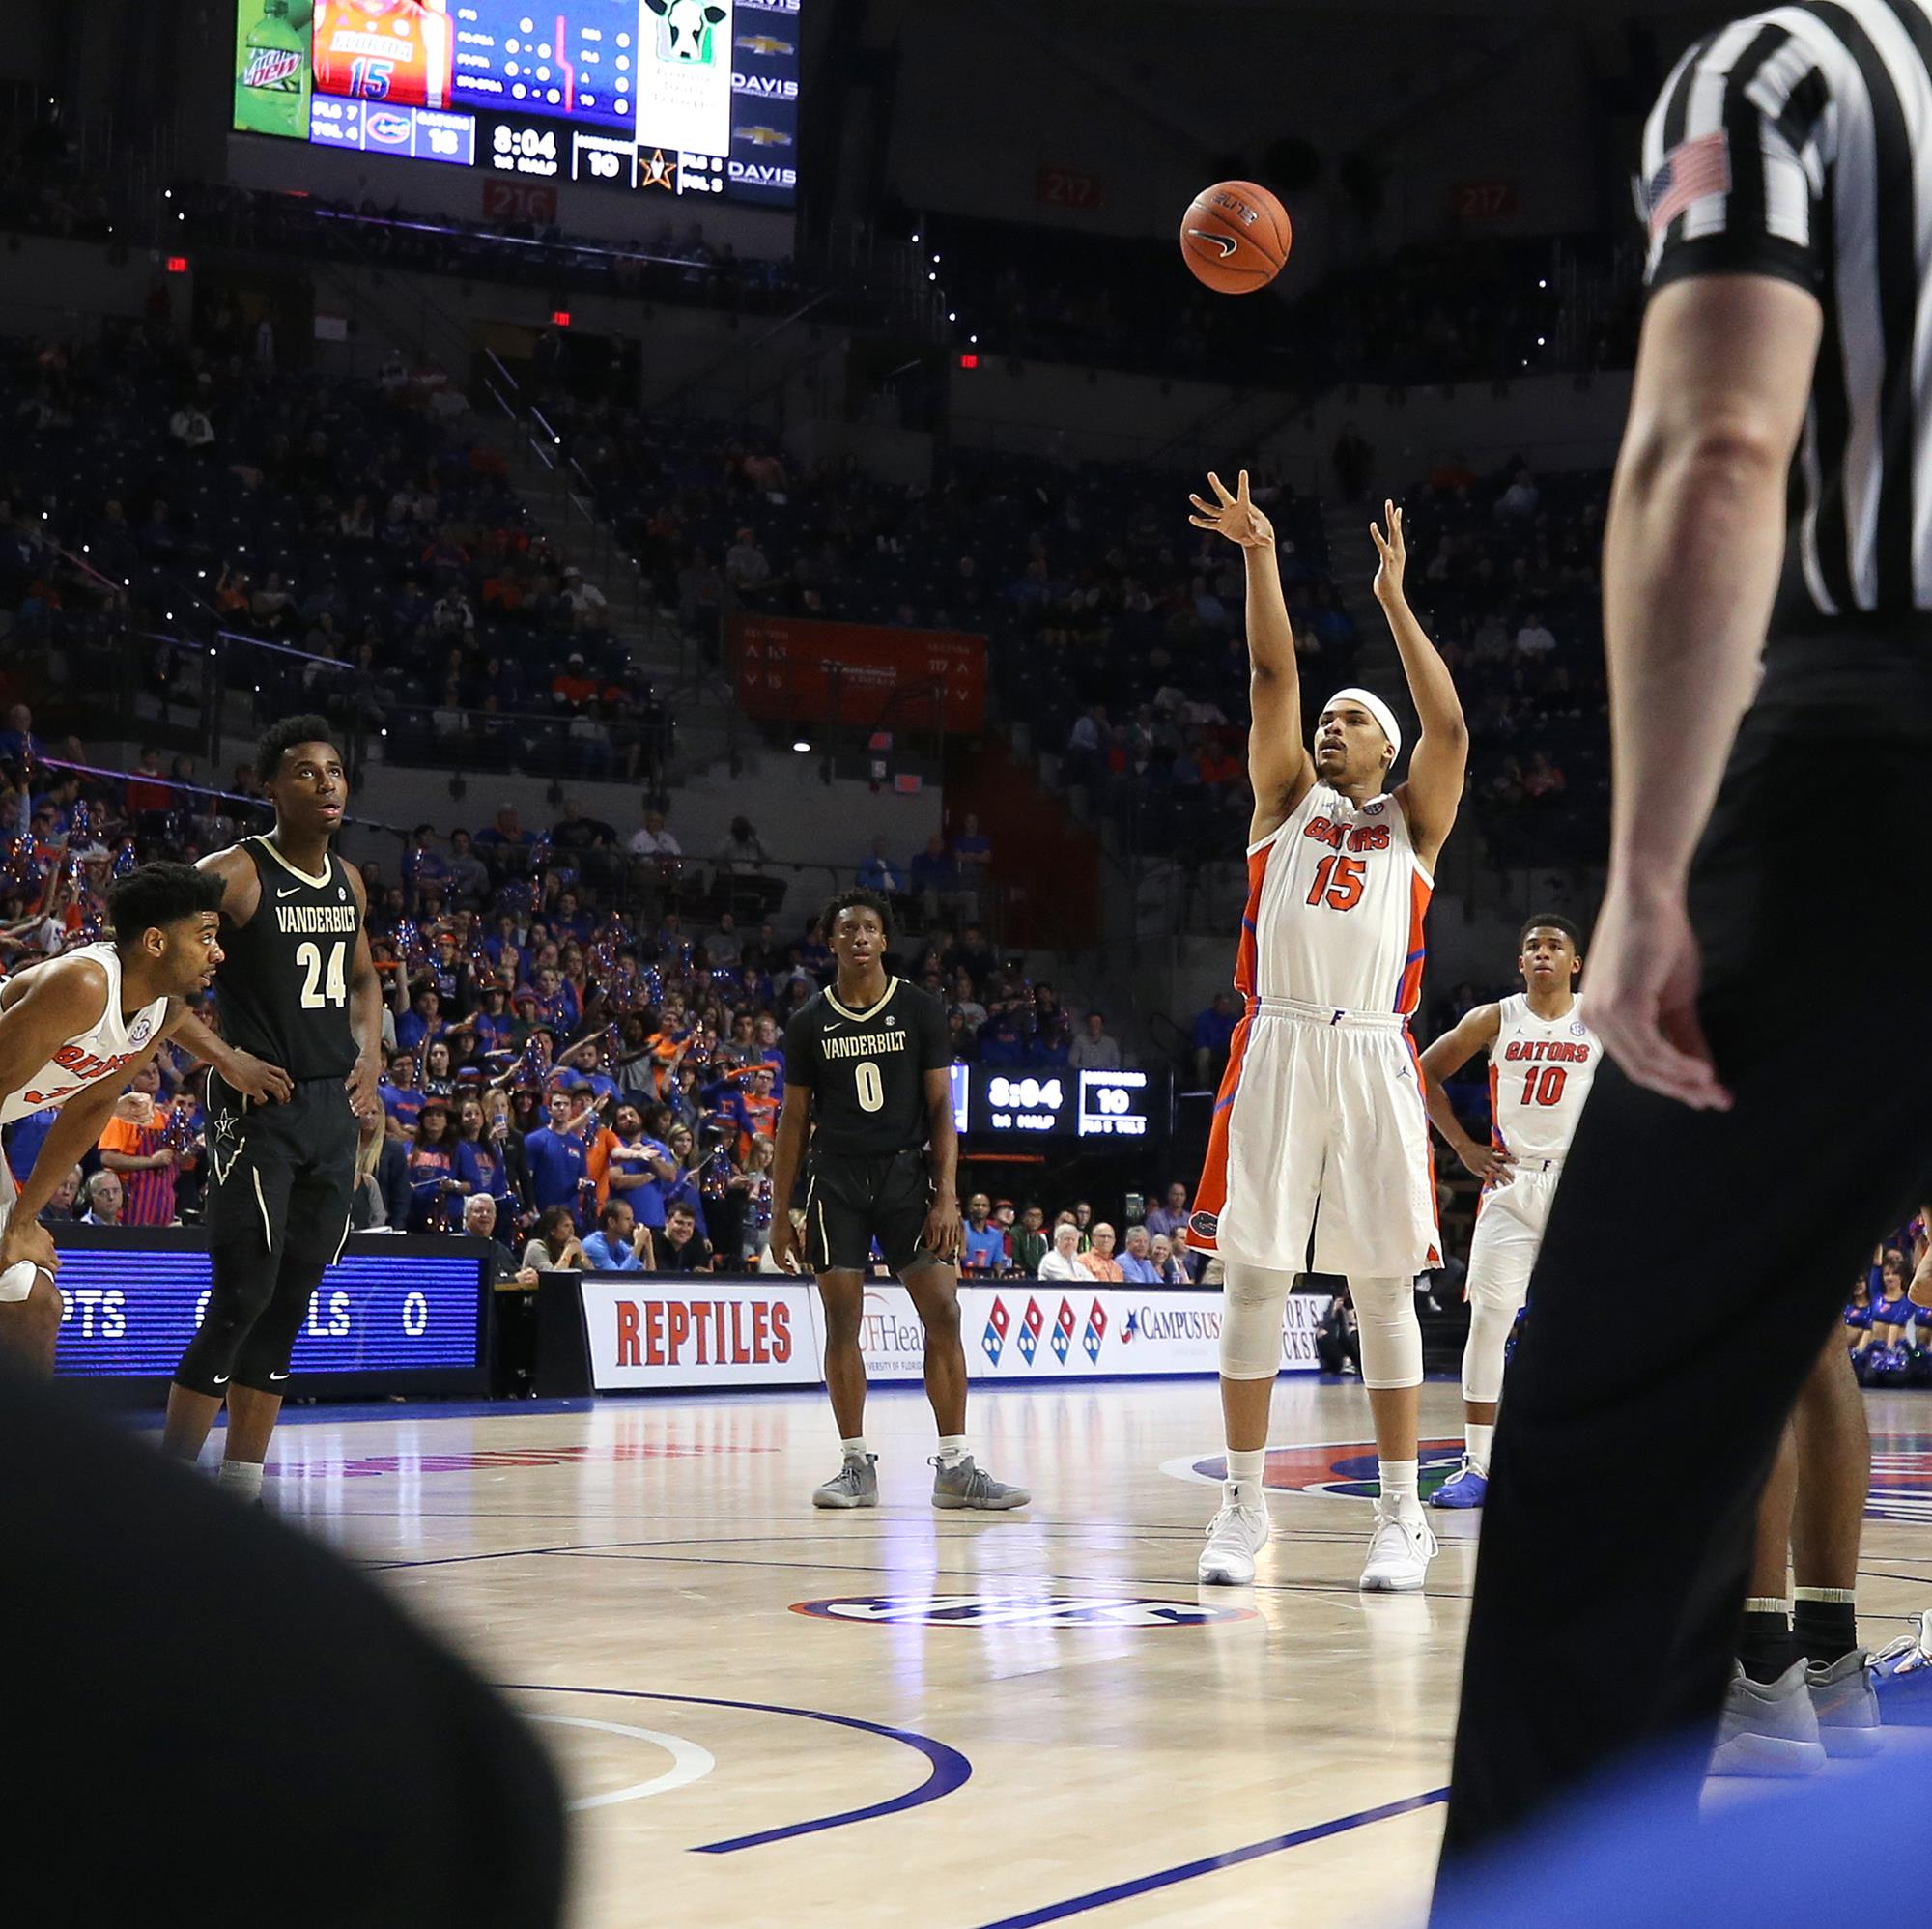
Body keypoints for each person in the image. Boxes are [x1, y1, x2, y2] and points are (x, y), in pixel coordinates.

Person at [1439, 7, 1932, 1874]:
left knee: (1612, 1450)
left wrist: (1650, 873)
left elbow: (1716, 442)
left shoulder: (1792, 69)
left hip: (1876, 764)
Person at [1186, 475, 1468, 1595]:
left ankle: (1401, 1514)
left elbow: (1447, 724)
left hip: (1371, 1054)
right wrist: (1257, 552)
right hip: (1278, 1046)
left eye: (1351, 716)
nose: (1327, 722)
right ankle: (1242, 1505)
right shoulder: (1280, 805)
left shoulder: (1417, 823)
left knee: (1380, 1287)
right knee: (1251, 1280)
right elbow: (1269, 674)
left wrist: (1392, 599)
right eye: (1327, 716)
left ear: (1384, 746)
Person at [161, 719, 383, 1506]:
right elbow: (144, 965)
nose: (326, 783)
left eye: (334, 770)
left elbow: (363, 979)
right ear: (270, 788)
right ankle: (172, 1491)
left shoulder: (350, 881)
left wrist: (373, 1057)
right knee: (243, 1293)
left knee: (290, 1303)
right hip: (257, 1105)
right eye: (304, 771)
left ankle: (241, 1489)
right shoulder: (238, 872)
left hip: (329, 1108)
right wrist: (225, 1057)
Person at [770, 889, 1028, 1513]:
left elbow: (943, 1107)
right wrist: (779, 1212)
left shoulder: (919, 1007)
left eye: (869, 927)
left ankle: (956, 1465)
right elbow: (793, 1119)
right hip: (835, 1180)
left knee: (944, 1310)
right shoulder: (809, 1021)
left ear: (885, 940)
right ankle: (855, 1464)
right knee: (842, 1320)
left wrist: (948, 1195)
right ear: (831, 941)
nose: (859, 936)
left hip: (908, 1178)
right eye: (847, 927)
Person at [0, 863, 240, 1373]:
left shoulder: (158, 1010)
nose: (217, 952)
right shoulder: (84, 984)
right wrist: (17, 1222)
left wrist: (23, 1220)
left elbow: (90, 1107)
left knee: (34, 1303)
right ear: (154, 942)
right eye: (205, 937)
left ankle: (28, 1451)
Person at [1416, 917, 1600, 1508]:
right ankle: (1478, 1465)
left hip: (1580, 1185)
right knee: (1489, 1323)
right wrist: (1464, 1148)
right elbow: (1423, 1072)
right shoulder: (1494, 1018)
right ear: (1520, 963)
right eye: (1532, 947)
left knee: (1589, 1328)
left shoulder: (1601, 1019)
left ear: (1575, 963)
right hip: (1511, 1181)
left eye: (1555, 947)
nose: (1542, 954)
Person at [96, 1062, 185, 1227]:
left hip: (163, 1209)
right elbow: (108, 1158)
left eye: (155, 1072)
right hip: (132, 1207)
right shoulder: (121, 1116)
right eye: (145, 1073)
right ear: (131, 1079)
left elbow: (177, 1165)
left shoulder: (166, 1119)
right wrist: (152, 1161)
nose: (152, 1077)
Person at [582, 1197, 651, 1271]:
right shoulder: (593, 1245)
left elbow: (650, 1278)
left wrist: (648, 1245)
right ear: (612, 1222)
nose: (632, 1224)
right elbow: (619, 1278)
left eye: (632, 1219)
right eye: (627, 1219)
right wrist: (638, 1245)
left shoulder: (620, 1245)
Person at [520, 1203, 586, 1275]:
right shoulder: (535, 1248)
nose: (572, 1231)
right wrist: (568, 1253)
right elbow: (554, 1278)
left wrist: (581, 1254)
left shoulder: (565, 1246)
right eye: (566, 1226)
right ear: (552, 1230)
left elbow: (592, 1277)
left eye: (572, 1225)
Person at [655, 1201, 714, 1273]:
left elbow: (704, 1269)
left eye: (689, 1224)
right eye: (679, 1223)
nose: (684, 1229)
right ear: (667, 1221)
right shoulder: (653, 1242)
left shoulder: (695, 1240)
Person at [960, 1191, 1006, 1272]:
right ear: (969, 1208)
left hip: (986, 1281)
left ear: (989, 1209)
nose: (980, 1208)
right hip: (963, 1277)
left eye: (984, 1205)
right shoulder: (961, 1228)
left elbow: (997, 1263)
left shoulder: (996, 1235)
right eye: (976, 1205)